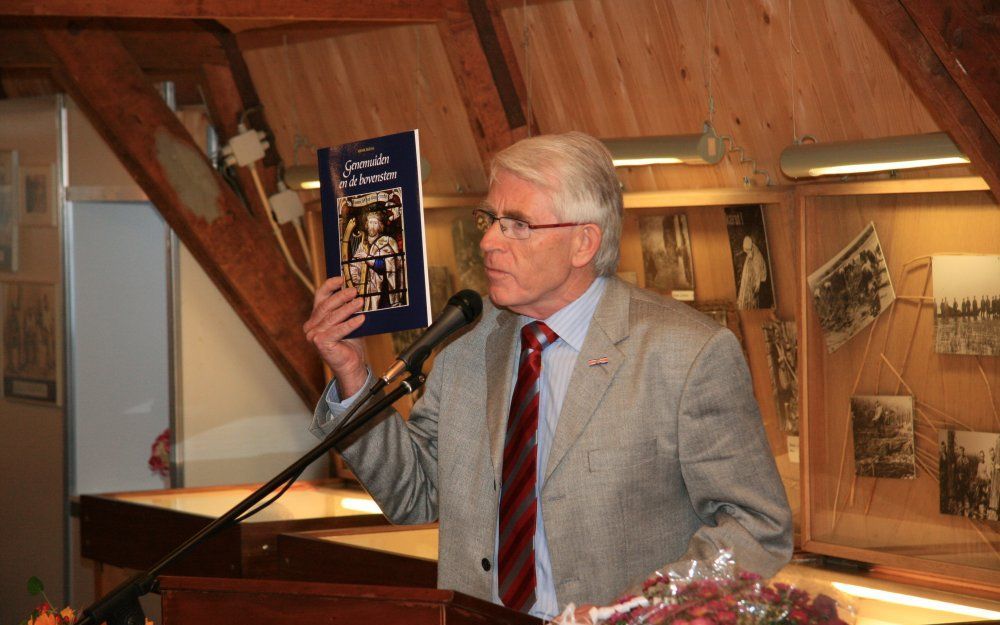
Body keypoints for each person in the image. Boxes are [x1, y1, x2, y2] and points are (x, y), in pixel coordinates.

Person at [303, 132, 792, 621]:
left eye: (517, 225)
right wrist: (353, 376)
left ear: (583, 242)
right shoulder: (464, 347)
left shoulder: (685, 354)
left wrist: (642, 611)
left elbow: (755, 527)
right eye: (490, 220)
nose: (489, 241)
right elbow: (415, 495)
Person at [349, 211, 403, 311]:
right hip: (365, 290)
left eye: (375, 223)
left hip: (382, 292)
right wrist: (356, 282)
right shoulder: (362, 245)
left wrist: (367, 258)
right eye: (370, 222)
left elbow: (386, 266)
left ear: (380, 226)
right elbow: (354, 265)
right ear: (366, 224)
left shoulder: (387, 241)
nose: (372, 226)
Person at [736, 235, 767, 310]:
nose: (747, 253)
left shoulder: (757, 257)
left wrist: (757, 284)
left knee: (752, 300)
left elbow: (758, 273)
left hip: (754, 282)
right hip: (748, 280)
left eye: (748, 251)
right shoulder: (750, 252)